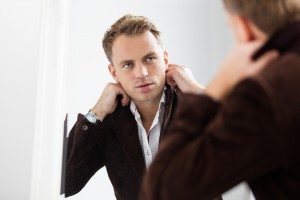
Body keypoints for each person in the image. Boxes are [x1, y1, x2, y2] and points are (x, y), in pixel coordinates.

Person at [141, 0, 300, 199]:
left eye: (150, 58)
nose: (142, 73)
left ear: (242, 26)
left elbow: (161, 189)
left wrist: (216, 87)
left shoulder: (266, 93)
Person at [63, 14, 205, 200]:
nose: (142, 73)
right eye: (128, 64)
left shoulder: (195, 107)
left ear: (165, 59)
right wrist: (96, 112)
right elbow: (65, 183)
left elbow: (249, 149)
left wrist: (197, 91)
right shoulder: (108, 121)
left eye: (149, 59)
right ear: (114, 72)